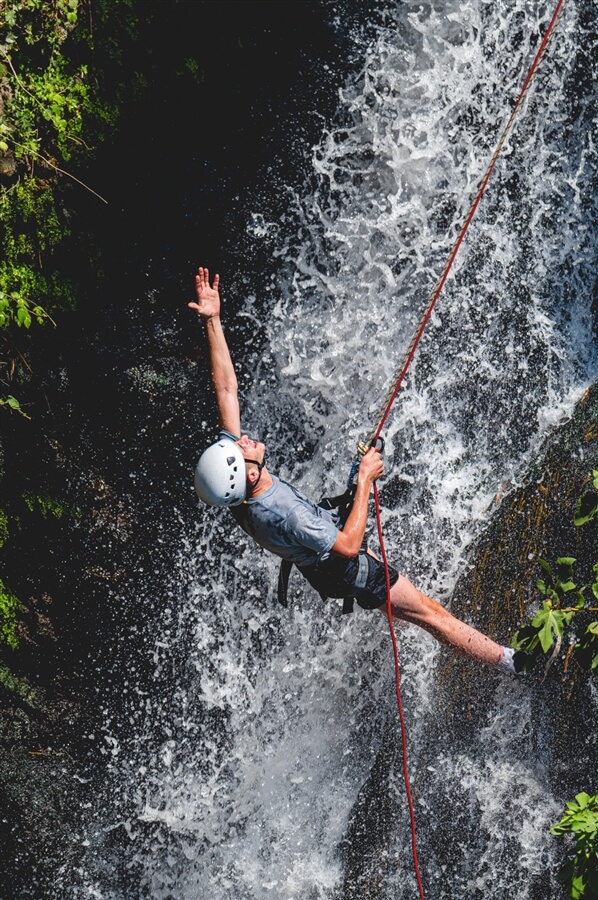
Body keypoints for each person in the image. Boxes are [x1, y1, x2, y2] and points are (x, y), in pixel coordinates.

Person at [189, 266, 517, 674]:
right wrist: (363, 479)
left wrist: (213, 320)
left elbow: (225, 389)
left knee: (428, 611)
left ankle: (508, 661)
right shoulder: (284, 514)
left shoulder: (238, 487)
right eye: (241, 449)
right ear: (250, 476)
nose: (244, 440)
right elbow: (345, 546)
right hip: (347, 567)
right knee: (432, 615)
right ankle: (513, 663)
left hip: (323, 555)